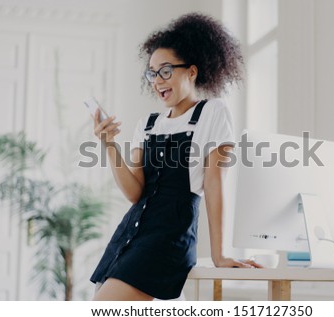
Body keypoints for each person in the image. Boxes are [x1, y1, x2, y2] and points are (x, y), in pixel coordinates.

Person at [90, 12, 262, 301]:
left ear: (192, 72)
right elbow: (135, 192)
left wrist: (219, 254)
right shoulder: (147, 123)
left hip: (168, 238)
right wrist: (109, 144)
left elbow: (214, 184)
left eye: (166, 71)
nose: (157, 81)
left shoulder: (212, 112)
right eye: (152, 73)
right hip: (131, 235)